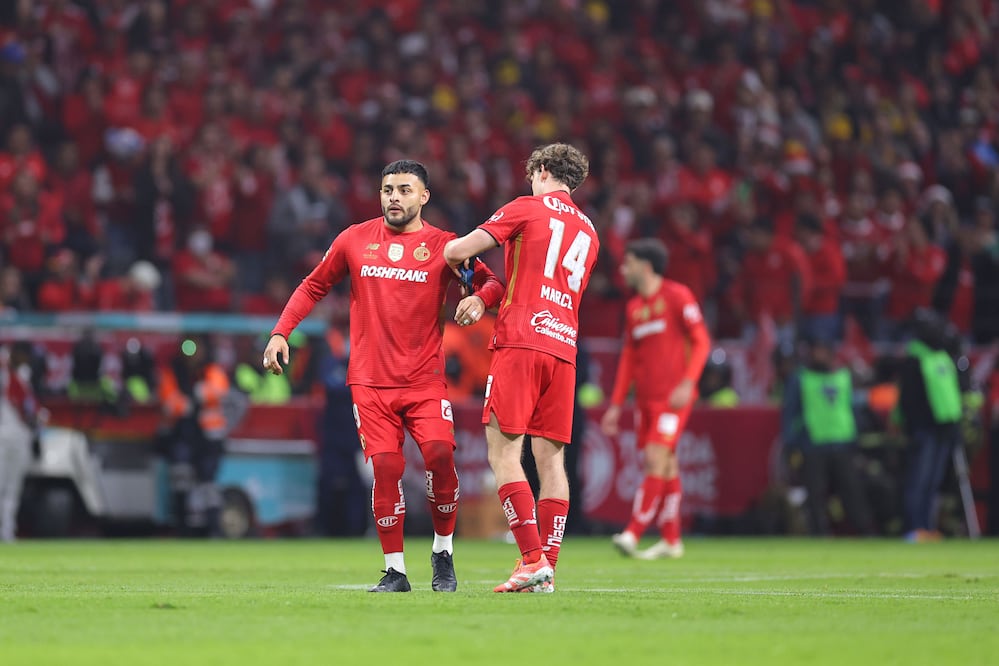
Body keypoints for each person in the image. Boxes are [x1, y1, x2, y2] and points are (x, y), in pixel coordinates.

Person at [263, 159, 504, 593]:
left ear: (424, 196)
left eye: (405, 190)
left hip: (424, 380)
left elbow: (492, 283)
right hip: (370, 381)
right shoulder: (354, 240)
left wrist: (478, 300)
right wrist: (281, 332)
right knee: (386, 467)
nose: (394, 197)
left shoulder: (447, 247)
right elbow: (313, 285)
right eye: (388, 189)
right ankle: (395, 571)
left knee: (440, 456)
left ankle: (443, 552)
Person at [443, 142, 599, 593]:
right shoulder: (590, 232)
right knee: (552, 461)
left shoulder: (526, 208)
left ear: (543, 170)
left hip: (521, 341)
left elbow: (459, 249)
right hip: (564, 347)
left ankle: (531, 559)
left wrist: (454, 255)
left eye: (532, 174)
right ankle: (547, 568)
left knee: (504, 454)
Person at [600, 238, 711, 559]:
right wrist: (616, 404)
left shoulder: (678, 296)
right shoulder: (634, 308)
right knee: (666, 464)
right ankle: (671, 539)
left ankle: (633, 533)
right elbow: (628, 360)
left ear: (646, 266)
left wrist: (688, 383)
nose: (623, 269)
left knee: (654, 457)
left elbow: (702, 341)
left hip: (673, 399)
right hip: (645, 401)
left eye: (628, 263)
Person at [780, 338, 875, 536]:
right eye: (816, 350)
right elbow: (790, 414)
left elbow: (850, 409)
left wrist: (856, 438)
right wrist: (791, 444)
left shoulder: (842, 377)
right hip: (813, 444)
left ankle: (866, 532)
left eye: (823, 350)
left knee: (852, 492)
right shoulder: (801, 378)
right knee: (815, 495)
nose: (819, 355)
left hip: (842, 443)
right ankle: (819, 535)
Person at [157, 336, 235, 537]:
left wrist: (197, 394)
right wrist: (188, 404)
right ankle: (181, 526)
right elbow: (169, 402)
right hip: (182, 434)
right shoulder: (174, 372)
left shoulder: (211, 370)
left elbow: (219, 390)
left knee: (209, 481)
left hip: (209, 438)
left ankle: (213, 527)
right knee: (180, 477)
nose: (192, 354)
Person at [896, 309, 963, 542]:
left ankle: (926, 526)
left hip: (944, 428)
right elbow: (908, 399)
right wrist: (911, 428)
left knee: (932, 483)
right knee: (919, 481)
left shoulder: (942, 357)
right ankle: (914, 528)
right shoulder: (915, 358)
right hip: (924, 429)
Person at [0, 344, 40, 542]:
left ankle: (7, 530)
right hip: (7, 436)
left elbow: (30, 411)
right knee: (5, 486)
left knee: (12, 487)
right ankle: (6, 530)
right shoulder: (10, 378)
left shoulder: (21, 379)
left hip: (17, 437)